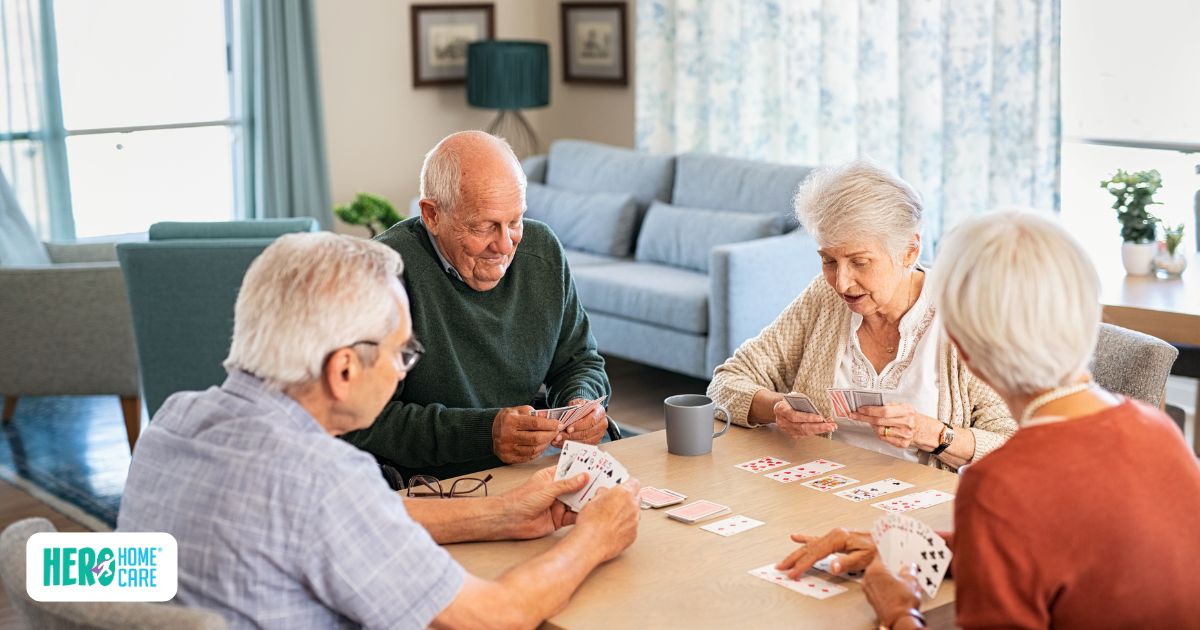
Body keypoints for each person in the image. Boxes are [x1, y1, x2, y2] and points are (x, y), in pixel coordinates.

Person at [117, 233, 641, 629]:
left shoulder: (174, 420)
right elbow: (497, 616)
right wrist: (595, 539)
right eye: (402, 352)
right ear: (344, 370)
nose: (404, 369)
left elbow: (337, 526)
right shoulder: (325, 479)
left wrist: (502, 514)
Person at [775, 211, 1200, 628]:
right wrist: (909, 547)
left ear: (962, 349)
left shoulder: (1000, 485)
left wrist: (898, 613)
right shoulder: (1159, 429)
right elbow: (1062, 545)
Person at [707, 161, 1015, 470]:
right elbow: (724, 384)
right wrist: (776, 408)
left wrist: (933, 434)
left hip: (922, 506)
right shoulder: (826, 298)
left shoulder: (963, 312)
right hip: (821, 490)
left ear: (910, 251)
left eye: (860, 262)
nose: (841, 282)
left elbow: (1014, 444)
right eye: (828, 260)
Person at [343, 131, 610, 479]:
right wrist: (484, 434)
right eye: (484, 226)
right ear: (432, 215)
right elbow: (362, 420)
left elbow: (581, 361)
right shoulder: (383, 274)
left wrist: (581, 403)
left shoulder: (542, 250)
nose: (504, 245)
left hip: (531, 470)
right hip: (428, 486)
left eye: (514, 222)